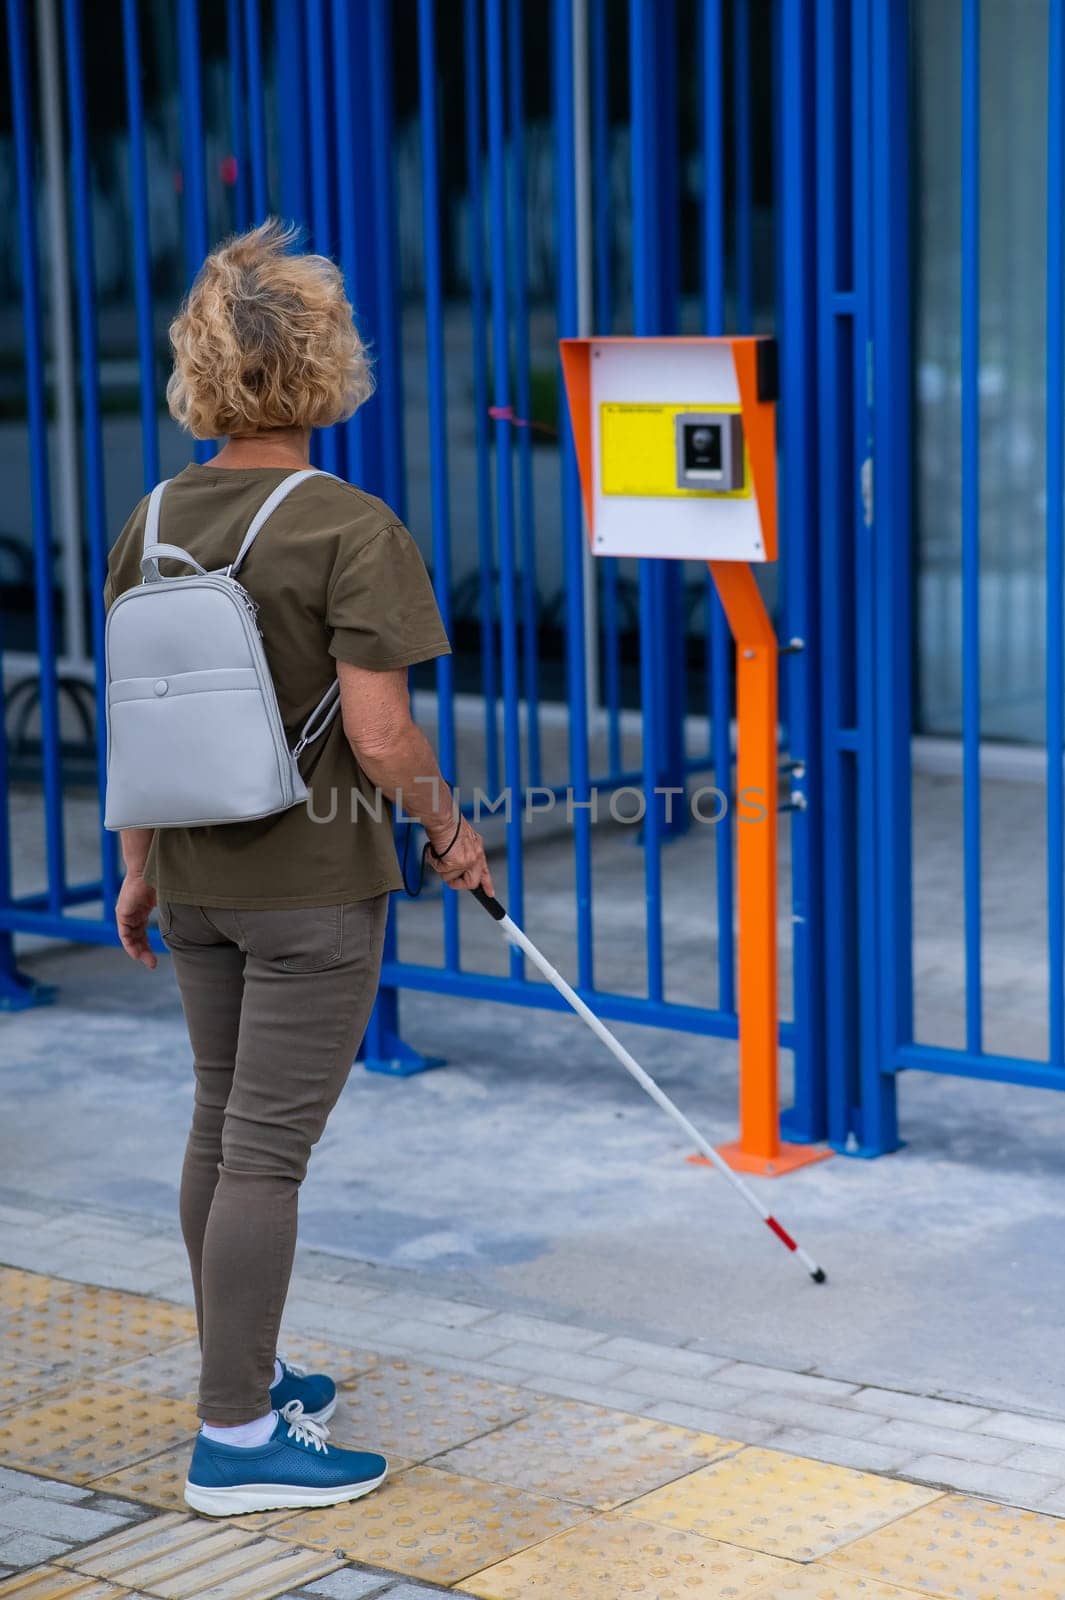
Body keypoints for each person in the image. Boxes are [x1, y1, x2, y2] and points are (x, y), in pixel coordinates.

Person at [105, 220, 493, 1517]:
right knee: (266, 1155)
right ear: (329, 367)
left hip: (199, 878)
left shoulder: (150, 515)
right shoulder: (347, 525)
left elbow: (138, 711)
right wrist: (449, 826)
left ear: (200, 365)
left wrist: (138, 869)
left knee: (221, 1127)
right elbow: (380, 734)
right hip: (312, 893)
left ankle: (248, 1371)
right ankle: (233, 1438)